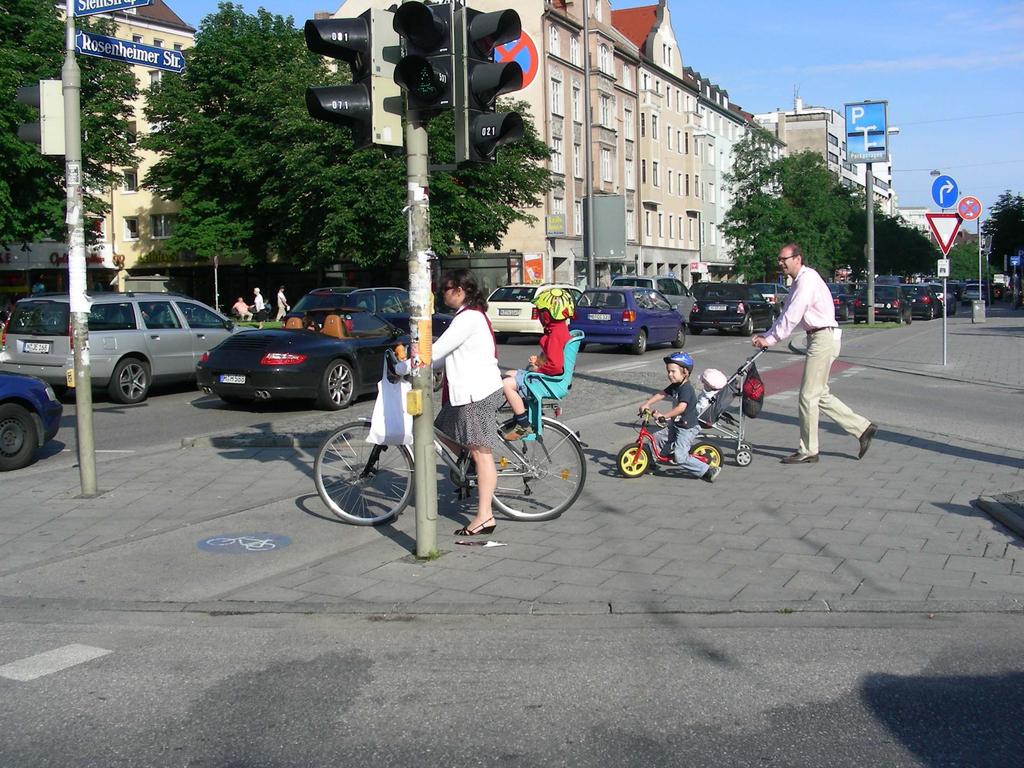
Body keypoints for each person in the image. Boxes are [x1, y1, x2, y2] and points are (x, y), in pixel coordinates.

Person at [753, 243, 877, 464]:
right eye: (779, 259)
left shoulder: (807, 280)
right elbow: (785, 315)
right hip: (818, 337)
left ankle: (809, 450)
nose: (780, 263)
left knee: (808, 395)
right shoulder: (798, 282)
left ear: (797, 258)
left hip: (822, 338)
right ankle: (863, 428)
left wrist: (771, 339)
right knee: (819, 394)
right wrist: (767, 335)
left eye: (784, 259)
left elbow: (793, 315)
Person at [431, 269, 505, 537]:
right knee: (437, 429)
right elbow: (443, 355)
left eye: (446, 289)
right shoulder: (465, 317)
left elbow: (437, 349)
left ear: (460, 290)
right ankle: (468, 460)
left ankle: (485, 516)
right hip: (467, 394)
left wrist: (407, 364)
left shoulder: (468, 318)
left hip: (477, 394)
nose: (442, 294)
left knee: (481, 453)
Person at [501, 287, 574, 440]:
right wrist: (540, 362)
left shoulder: (554, 335)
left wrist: (538, 368)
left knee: (506, 384)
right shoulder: (559, 330)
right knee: (509, 374)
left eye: (541, 312)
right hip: (554, 380)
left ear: (549, 314)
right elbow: (554, 359)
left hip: (550, 381)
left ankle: (523, 424)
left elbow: (555, 366)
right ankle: (525, 410)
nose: (539, 315)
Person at [639, 352, 720, 483]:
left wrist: (664, 416)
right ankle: (650, 461)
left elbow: (681, 408)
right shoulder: (676, 385)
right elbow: (662, 393)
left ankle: (707, 470)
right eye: (668, 371)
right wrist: (647, 403)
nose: (669, 375)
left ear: (685, 372)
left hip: (687, 428)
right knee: (656, 438)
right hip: (677, 424)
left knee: (680, 456)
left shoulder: (686, 389)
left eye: (673, 371)